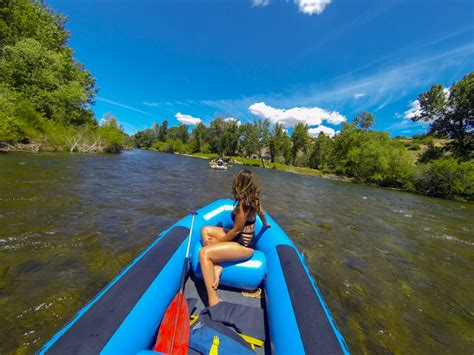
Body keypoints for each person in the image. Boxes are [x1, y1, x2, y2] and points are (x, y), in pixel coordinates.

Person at [200, 169, 270, 306]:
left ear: (239, 184)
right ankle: (217, 265)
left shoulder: (243, 207)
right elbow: (262, 215)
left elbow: (236, 231)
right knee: (205, 230)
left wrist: (215, 244)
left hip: (244, 246)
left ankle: (213, 300)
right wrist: (266, 224)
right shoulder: (255, 201)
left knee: (204, 254)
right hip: (237, 239)